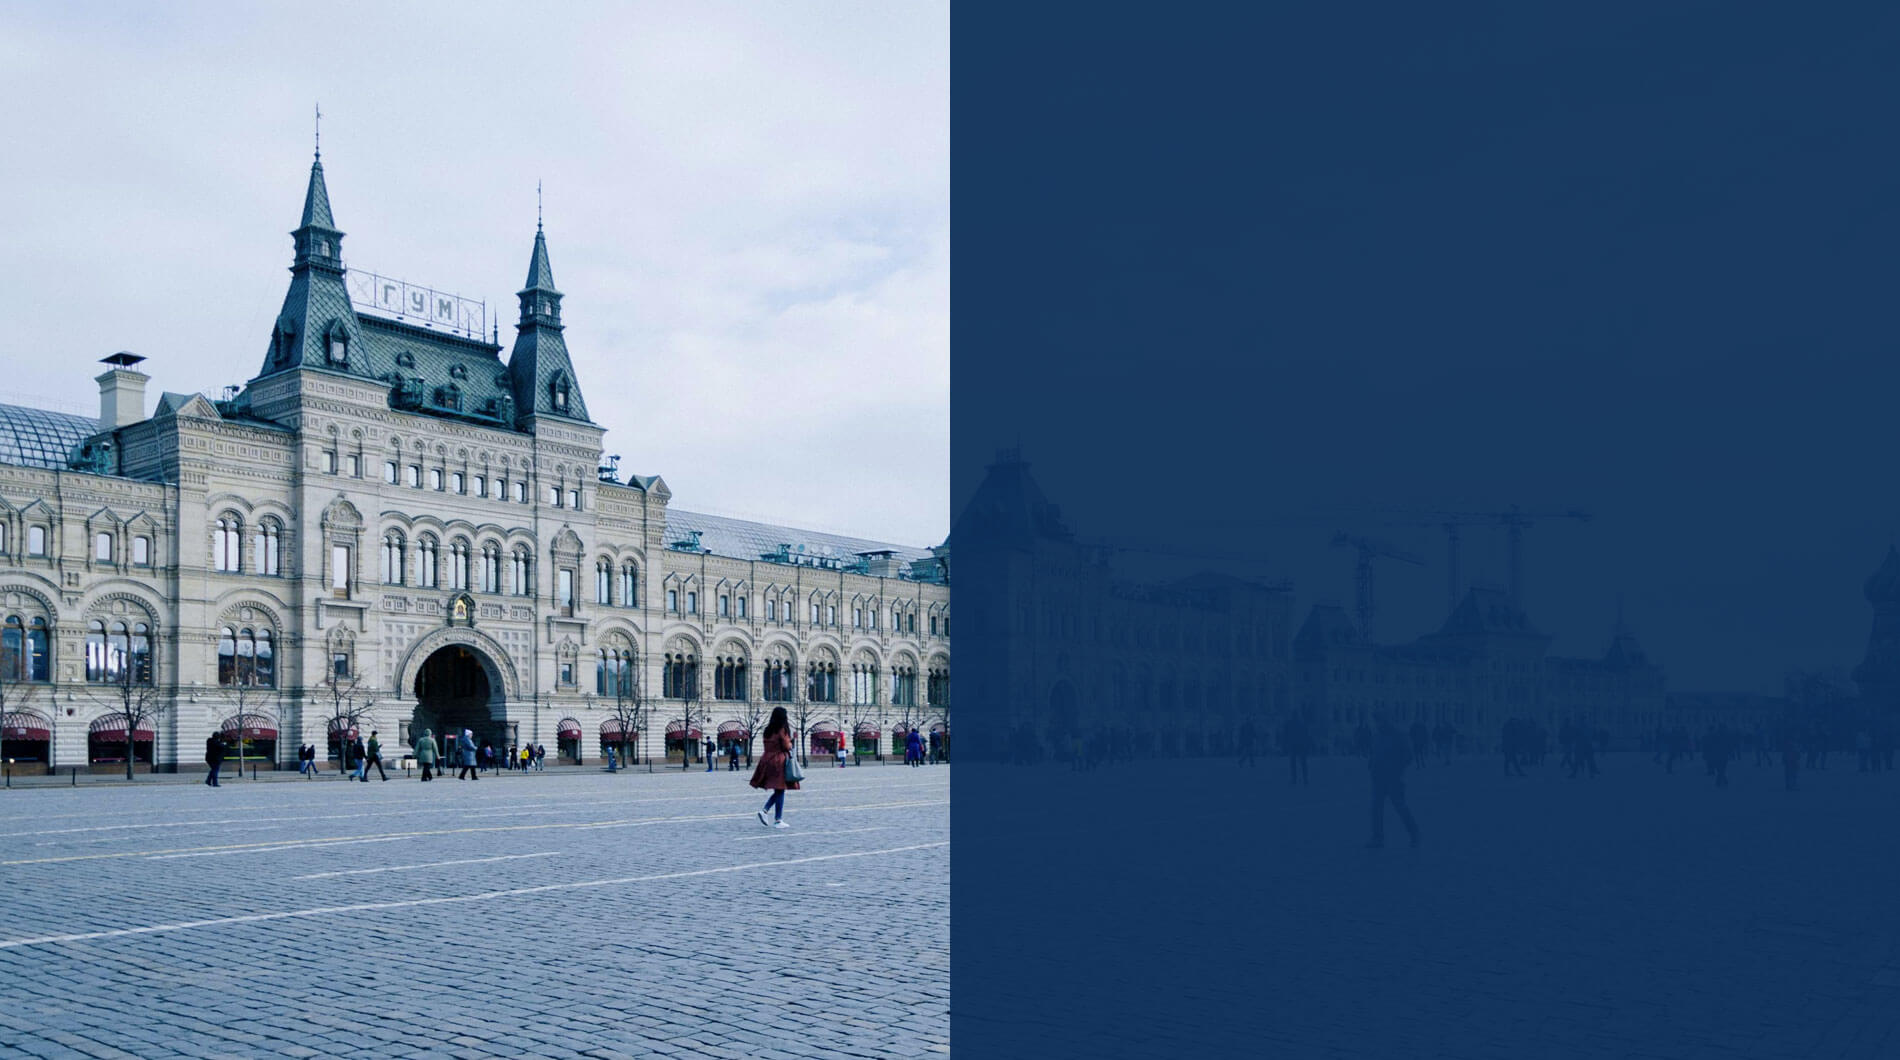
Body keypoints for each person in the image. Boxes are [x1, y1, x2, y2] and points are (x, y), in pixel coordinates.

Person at [1367, 716, 1420, 849]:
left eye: (1381, 720)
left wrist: (1397, 769)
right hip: (1378, 778)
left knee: (1400, 806)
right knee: (1376, 808)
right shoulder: (1376, 736)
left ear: (1388, 720)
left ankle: (1415, 833)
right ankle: (1377, 838)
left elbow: (1409, 755)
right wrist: (1371, 764)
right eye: (1377, 720)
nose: (1378, 723)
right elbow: (1374, 753)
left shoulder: (1399, 735)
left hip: (1393, 778)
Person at [751, 706, 798, 828]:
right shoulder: (781, 730)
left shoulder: (768, 730)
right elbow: (787, 746)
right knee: (780, 789)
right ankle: (777, 819)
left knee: (778, 790)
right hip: (778, 761)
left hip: (766, 760)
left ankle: (766, 811)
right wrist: (790, 742)